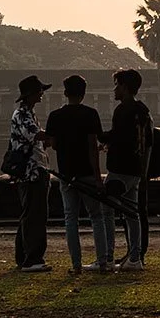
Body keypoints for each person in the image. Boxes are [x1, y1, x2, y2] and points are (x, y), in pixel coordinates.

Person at [45, 74, 114, 274]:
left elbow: (53, 144)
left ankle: (76, 265)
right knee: (96, 217)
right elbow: (93, 147)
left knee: (70, 219)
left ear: (65, 93)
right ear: (83, 94)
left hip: (67, 174)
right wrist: (97, 177)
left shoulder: (55, 116)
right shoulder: (90, 114)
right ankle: (103, 263)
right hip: (87, 173)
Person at [104, 69, 154, 270]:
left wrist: (96, 136)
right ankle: (135, 257)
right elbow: (147, 143)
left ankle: (106, 255)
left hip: (119, 168)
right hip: (135, 170)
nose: (114, 90)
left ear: (124, 88)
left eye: (117, 85)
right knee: (132, 213)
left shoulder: (122, 110)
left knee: (105, 211)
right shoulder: (143, 110)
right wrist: (144, 171)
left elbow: (117, 137)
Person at [6, 76, 53, 273]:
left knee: (29, 215)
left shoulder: (28, 114)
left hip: (33, 169)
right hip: (31, 172)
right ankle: (32, 258)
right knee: (35, 215)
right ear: (32, 94)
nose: (42, 94)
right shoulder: (23, 114)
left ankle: (24, 256)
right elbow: (36, 136)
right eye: (39, 91)